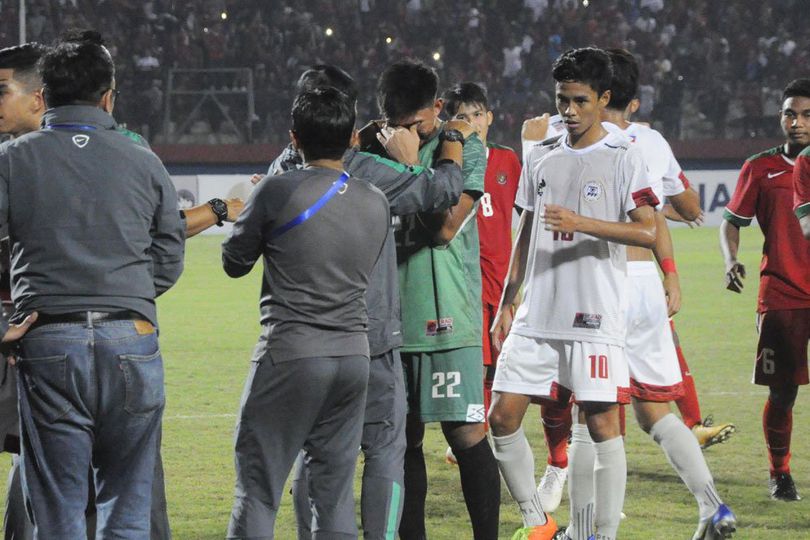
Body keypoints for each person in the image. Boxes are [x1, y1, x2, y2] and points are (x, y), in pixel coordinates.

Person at [0, 38, 240, 540]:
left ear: (44, 94)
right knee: (129, 510)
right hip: (130, 338)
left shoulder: (14, 159)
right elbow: (169, 252)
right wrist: (124, 295)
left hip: (48, 340)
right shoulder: (142, 158)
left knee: (58, 511)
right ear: (109, 97)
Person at [265, 64, 472, 540]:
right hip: (369, 340)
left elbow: (240, 252)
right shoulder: (366, 170)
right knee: (384, 451)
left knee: (312, 454)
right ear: (350, 117)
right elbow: (441, 189)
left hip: (298, 343)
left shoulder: (278, 174)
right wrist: (455, 139)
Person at [559, 48, 736, 540]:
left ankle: (587, 531)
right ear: (631, 98)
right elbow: (678, 211)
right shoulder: (649, 141)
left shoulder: (573, 139)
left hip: (602, 285)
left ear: (597, 92)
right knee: (655, 411)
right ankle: (713, 506)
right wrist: (672, 275)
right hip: (646, 288)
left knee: (590, 414)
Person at [487, 47, 656, 540]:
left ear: (604, 99)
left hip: (594, 315)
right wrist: (506, 303)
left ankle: (602, 535)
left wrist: (582, 222)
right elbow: (524, 231)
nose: (569, 111)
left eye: (580, 100)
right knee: (501, 416)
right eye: (562, 100)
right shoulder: (541, 155)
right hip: (537, 312)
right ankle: (538, 523)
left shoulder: (625, 156)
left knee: (603, 427)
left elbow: (648, 231)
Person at [223, 86, 390, 539]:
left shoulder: (277, 191)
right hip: (353, 356)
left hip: (291, 353)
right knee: (332, 496)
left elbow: (234, 263)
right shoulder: (376, 200)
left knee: (257, 491)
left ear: (294, 138)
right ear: (353, 138)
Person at [373, 60, 500, 540]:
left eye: (418, 124)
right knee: (401, 445)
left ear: (439, 109)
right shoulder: (372, 147)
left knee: (466, 437)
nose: (408, 132)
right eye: (398, 125)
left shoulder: (465, 148)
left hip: (449, 321)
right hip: (389, 323)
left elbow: (446, 229)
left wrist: (407, 166)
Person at [720, 78, 810, 502]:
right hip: (782, 294)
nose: (797, 122)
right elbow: (731, 223)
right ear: (780, 117)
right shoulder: (760, 167)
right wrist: (730, 259)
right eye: (790, 113)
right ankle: (780, 473)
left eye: (807, 115)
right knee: (782, 390)